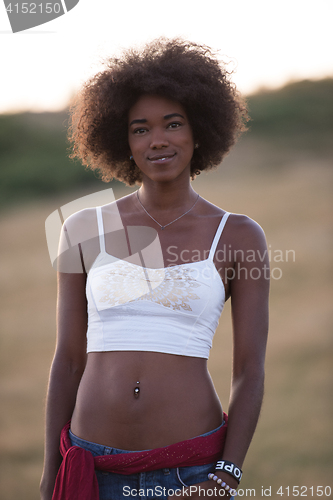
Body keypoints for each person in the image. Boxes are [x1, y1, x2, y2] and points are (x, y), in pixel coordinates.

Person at [40, 38, 269, 500]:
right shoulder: (83, 227)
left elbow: (249, 369)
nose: (158, 139)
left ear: (199, 130)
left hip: (189, 473)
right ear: (122, 141)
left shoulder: (239, 236)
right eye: (140, 129)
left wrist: (228, 473)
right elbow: (67, 359)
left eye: (173, 124)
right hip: (93, 466)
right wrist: (52, 471)